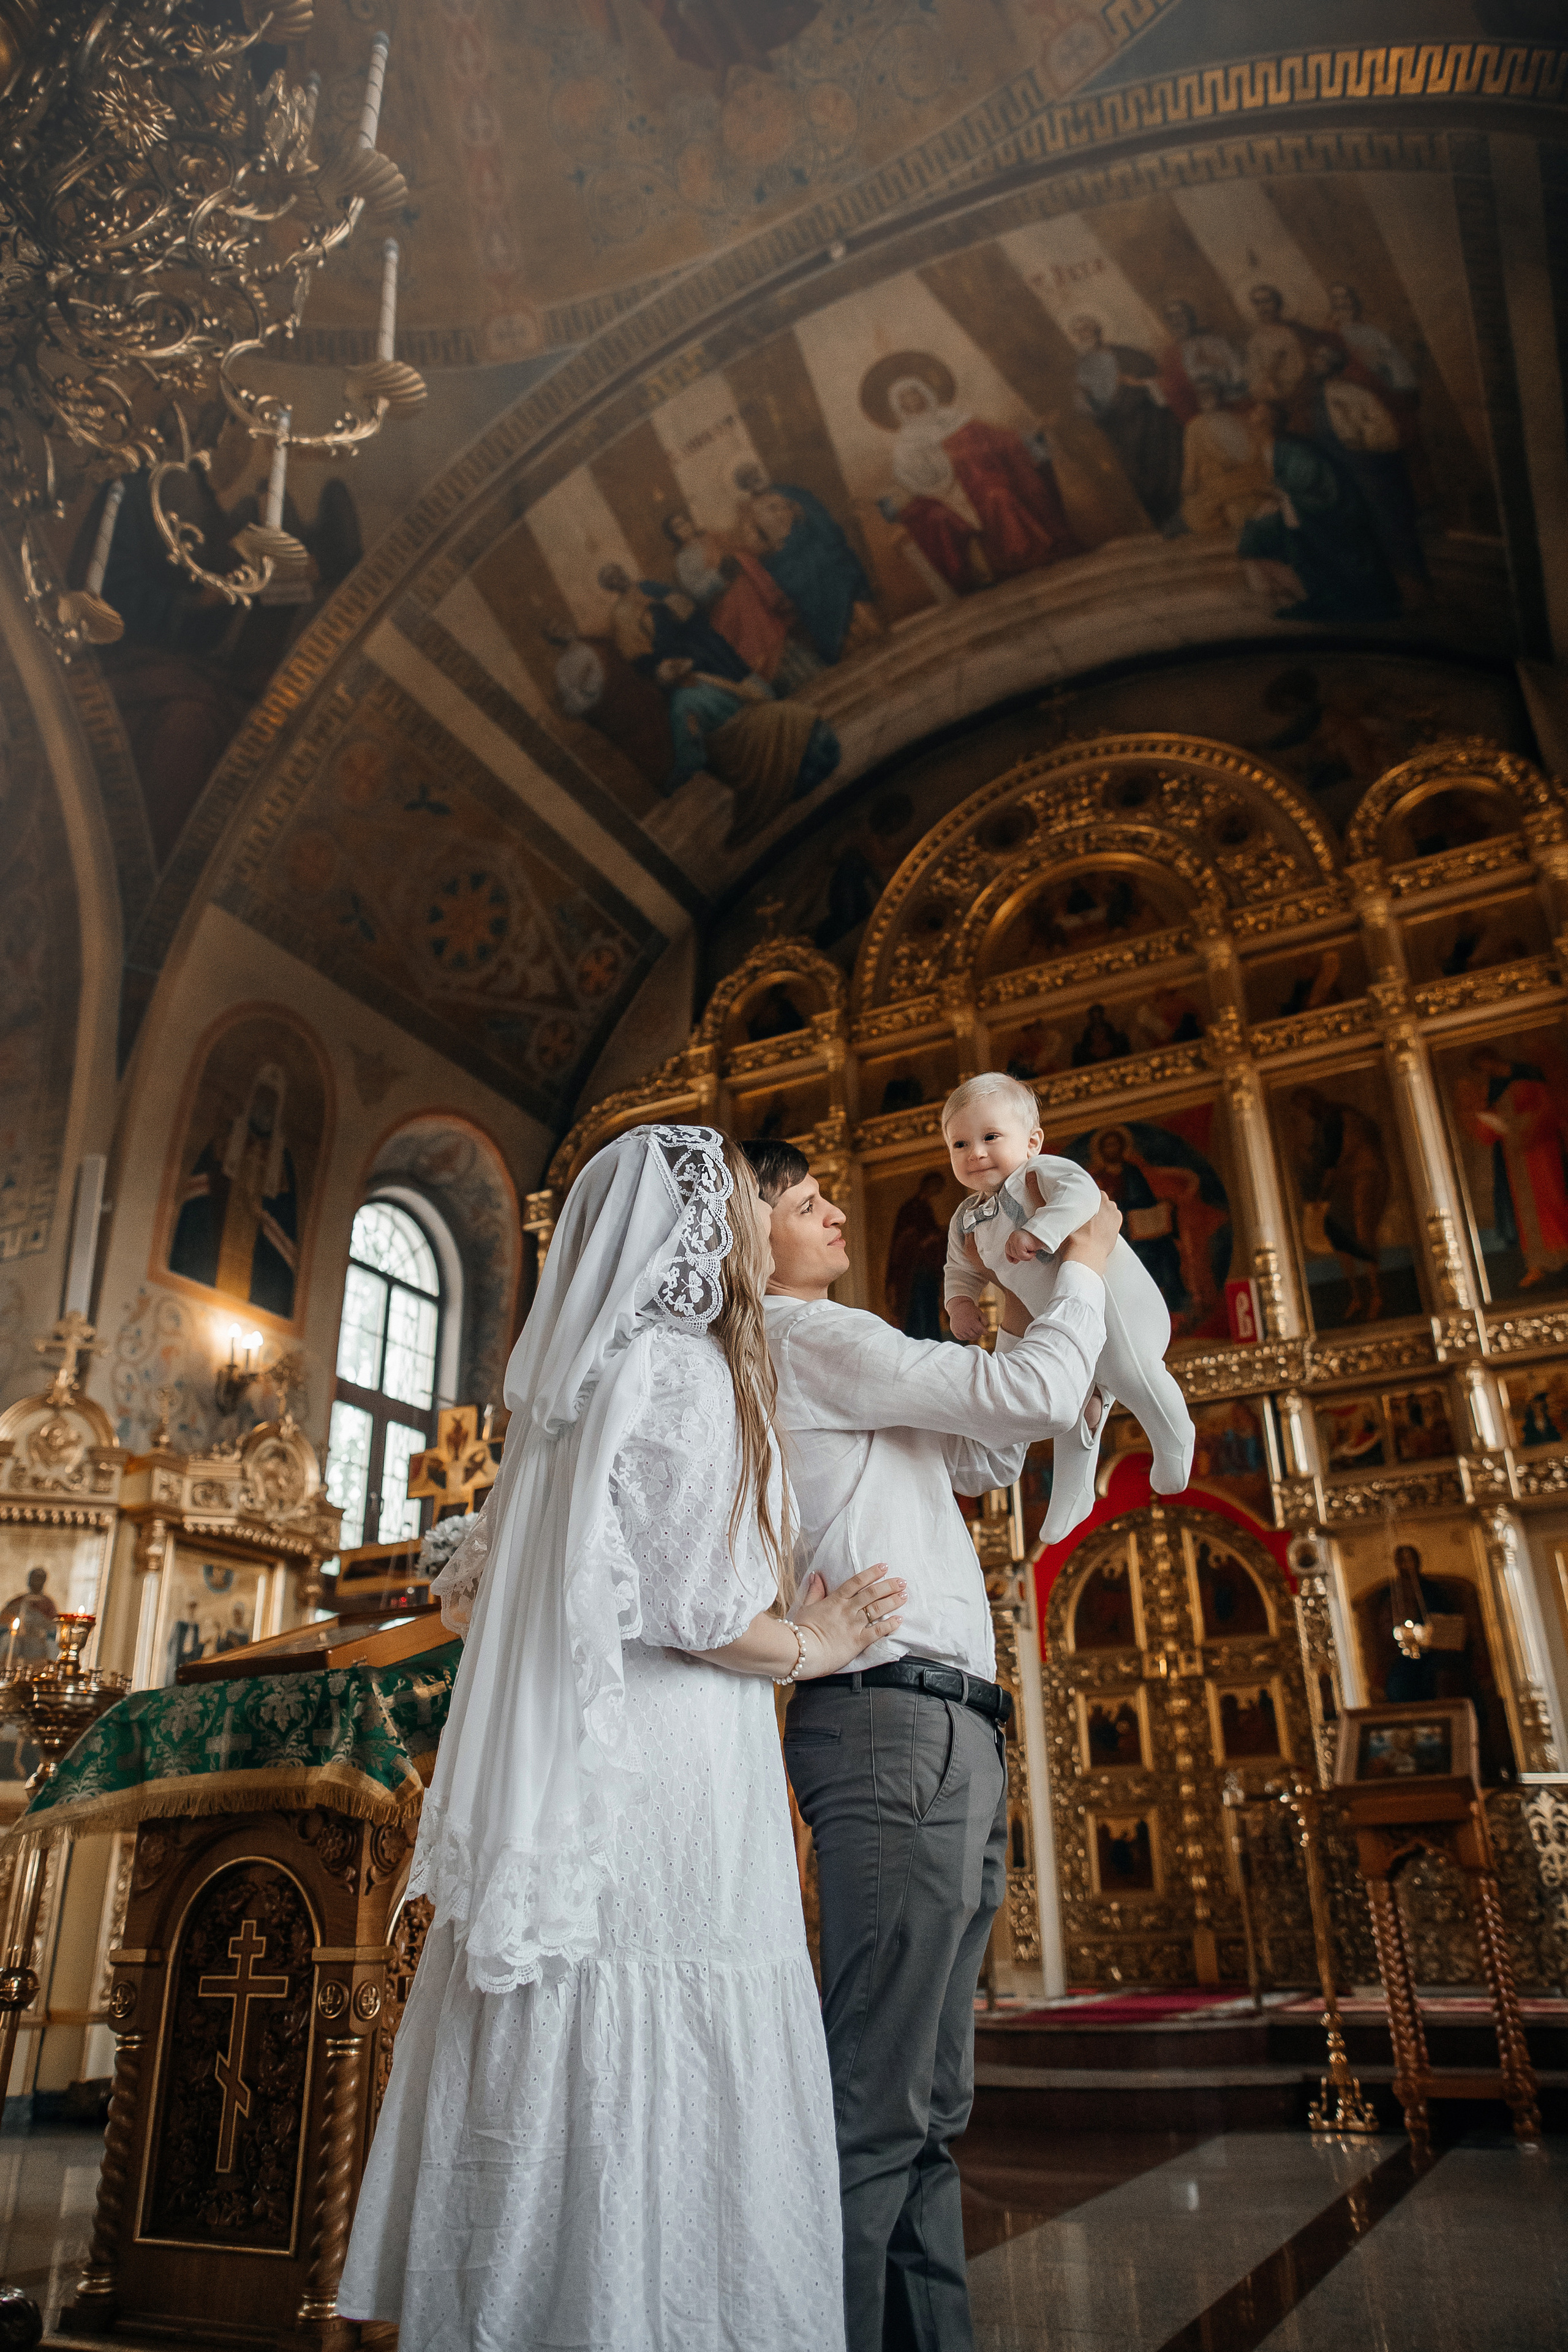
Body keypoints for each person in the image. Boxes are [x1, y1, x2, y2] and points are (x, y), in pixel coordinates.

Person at [340, 1125, 906, 2351]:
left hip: (581, 1759)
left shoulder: (583, 1377)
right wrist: (821, 1641)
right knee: (678, 2005)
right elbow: (705, 1614)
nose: (768, 1221)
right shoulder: (691, 1374)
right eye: (754, 1205)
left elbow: (475, 1581)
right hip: (677, 1763)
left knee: (574, 2012)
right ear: (704, 1230)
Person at [742, 1134, 1120, 2351]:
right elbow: (1030, 1401)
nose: (836, 1213)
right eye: (804, 1203)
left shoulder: (834, 1353)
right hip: (890, 1726)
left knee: (927, 2102)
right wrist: (1088, 1273)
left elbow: (987, 1447)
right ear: (747, 1237)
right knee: (877, 2099)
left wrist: (1012, 1350)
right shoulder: (810, 1337)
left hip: (936, 1721)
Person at [940, 1073, 1194, 1545]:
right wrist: (960, 1303)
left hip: (1113, 1302)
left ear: (1033, 1141)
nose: (975, 1153)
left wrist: (1041, 1230)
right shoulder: (965, 1219)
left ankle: (1174, 1438)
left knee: (1128, 1369)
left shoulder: (1041, 1174)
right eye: (960, 1144)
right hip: (1060, 1322)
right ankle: (1073, 1495)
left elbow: (1082, 1198)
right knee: (1067, 1408)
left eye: (990, 1137)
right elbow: (959, 1269)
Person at [868, 368, 1079, 593]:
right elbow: (915, 478)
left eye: (915, 393)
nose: (913, 400)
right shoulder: (906, 442)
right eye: (905, 398)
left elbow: (998, 439)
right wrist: (949, 462)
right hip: (951, 490)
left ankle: (1036, 552)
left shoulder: (954, 417)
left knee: (1004, 489)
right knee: (996, 496)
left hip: (986, 475)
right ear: (899, 406)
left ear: (925, 393)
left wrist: (1028, 436)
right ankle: (1019, 558)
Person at [654, 653, 839, 843]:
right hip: (735, 745)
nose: (687, 671)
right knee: (788, 719)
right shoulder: (681, 706)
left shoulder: (701, 678)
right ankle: (800, 775)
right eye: (681, 671)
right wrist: (674, 783)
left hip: (748, 721)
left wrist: (758, 699)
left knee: (792, 716)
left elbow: (739, 693)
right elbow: (691, 752)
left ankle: (813, 761)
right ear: (677, 680)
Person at [732, 462, 881, 663]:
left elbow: (813, 522)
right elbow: (755, 546)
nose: (755, 480)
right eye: (748, 479)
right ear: (744, 485)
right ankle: (842, 651)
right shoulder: (748, 513)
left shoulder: (789, 494)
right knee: (810, 596)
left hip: (816, 553)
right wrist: (775, 547)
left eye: (756, 474)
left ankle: (871, 637)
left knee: (836, 579)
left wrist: (808, 538)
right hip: (787, 564)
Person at [662, 510, 823, 693]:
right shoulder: (683, 560)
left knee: (767, 626)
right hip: (725, 603)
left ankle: (802, 673)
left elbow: (739, 549)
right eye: (678, 527)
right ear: (673, 535)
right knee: (750, 639)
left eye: (684, 522)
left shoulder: (712, 537)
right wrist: (720, 574)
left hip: (747, 589)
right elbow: (696, 591)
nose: (684, 528)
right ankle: (778, 686)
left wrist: (737, 560)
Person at [1069, 315, 1185, 531]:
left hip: (1148, 421)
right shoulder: (1084, 367)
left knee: (1163, 464)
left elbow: (1156, 379)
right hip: (1118, 428)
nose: (1084, 334)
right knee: (1136, 474)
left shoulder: (1127, 354)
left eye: (1087, 328)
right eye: (1079, 331)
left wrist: (1136, 384)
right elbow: (1083, 404)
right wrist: (1087, 403)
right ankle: (1161, 521)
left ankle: (1181, 513)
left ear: (1098, 329)